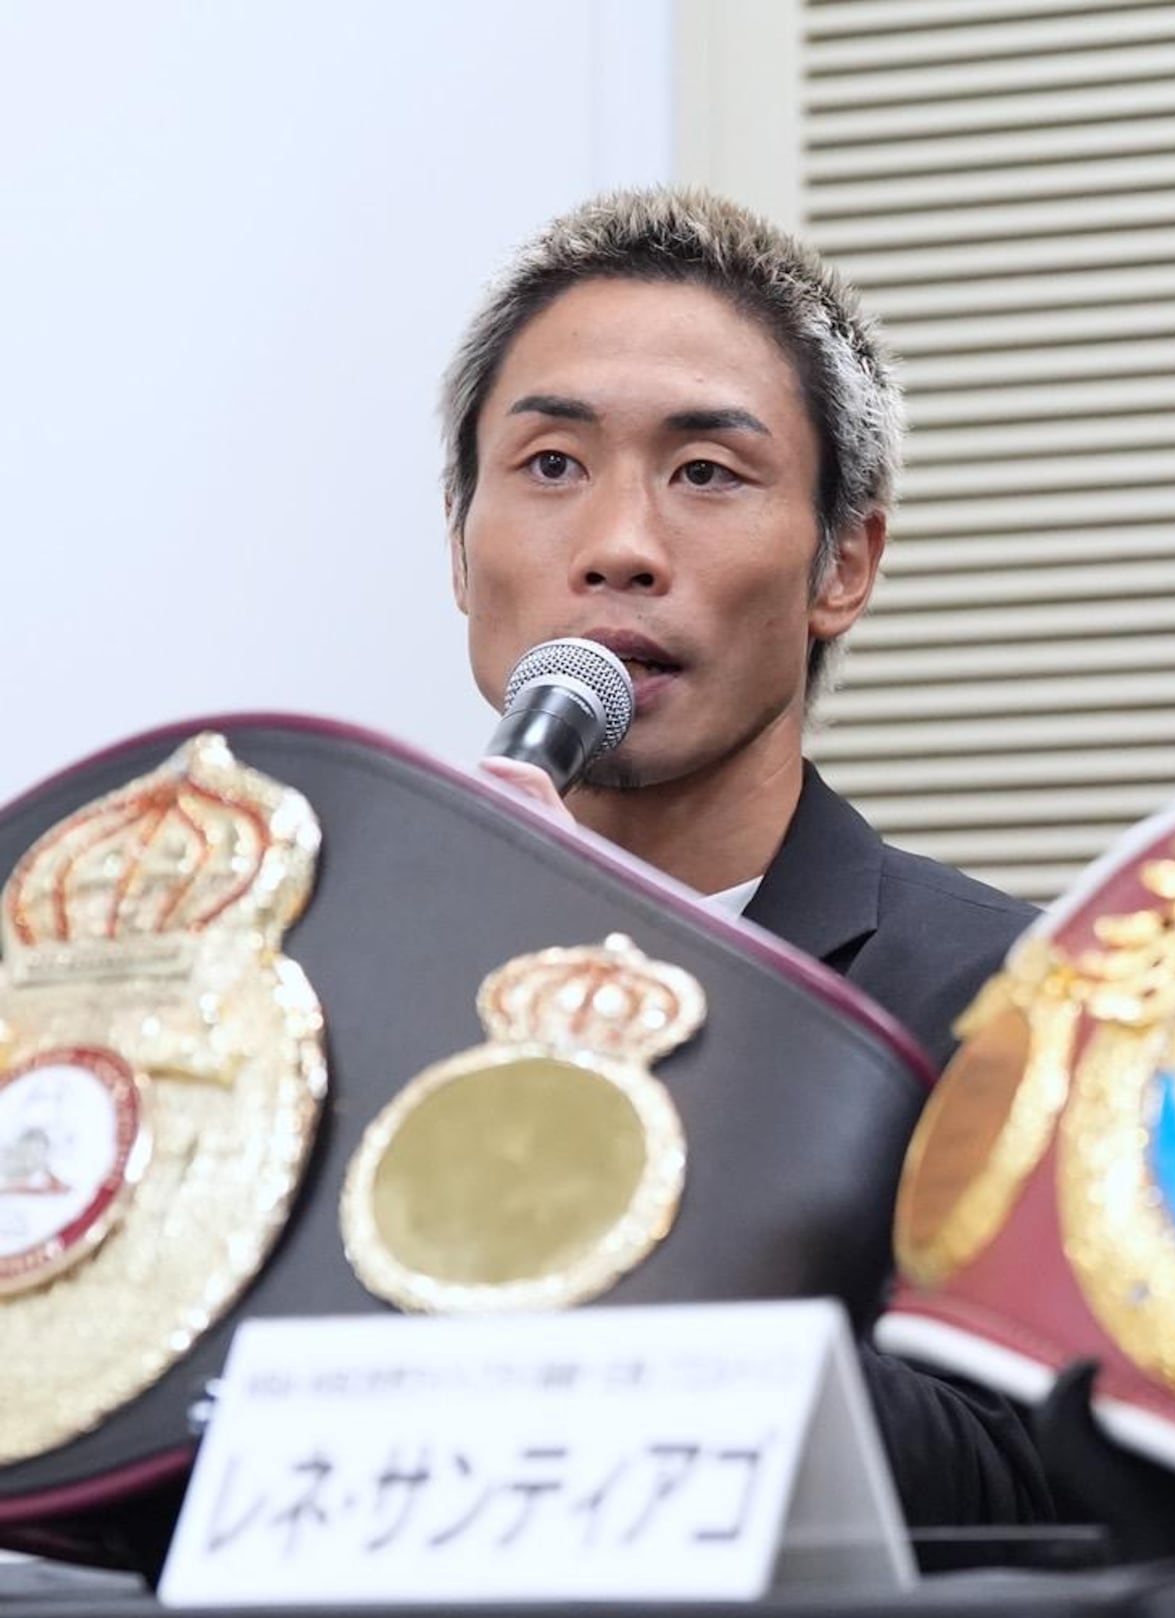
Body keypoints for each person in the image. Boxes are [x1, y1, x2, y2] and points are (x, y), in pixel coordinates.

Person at [442, 186, 1048, 1527]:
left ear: (845, 563)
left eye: (707, 474)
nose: (618, 547)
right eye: (549, 467)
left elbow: (1036, 1483)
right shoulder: (345, 980)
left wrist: (594, 1181)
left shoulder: (1023, 1002)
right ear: (460, 546)